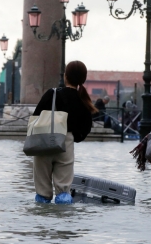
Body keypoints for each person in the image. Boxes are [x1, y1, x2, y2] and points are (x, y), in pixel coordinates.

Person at [32, 61, 97, 204]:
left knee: (42, 192)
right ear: (83, 79)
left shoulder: (52, 93)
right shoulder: (82, 100)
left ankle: (42, 221)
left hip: (43, 140)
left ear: (65, 76)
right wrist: (74, 137)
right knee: (63, 191)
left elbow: (36, 117)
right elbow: (85, 127)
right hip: (66, 142)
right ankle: (63, 223)